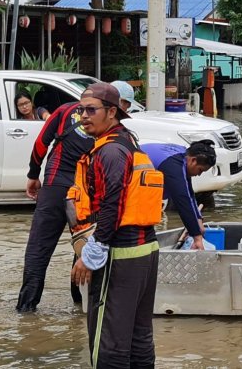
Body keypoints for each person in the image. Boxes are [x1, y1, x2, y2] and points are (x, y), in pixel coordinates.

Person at [69, 82, 162, 367]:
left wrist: (93, 250)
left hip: (120, 254)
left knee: (108, 342)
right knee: (139, 336)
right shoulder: (128, 142)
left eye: (91, 110)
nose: (84, 116)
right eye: (80, 110)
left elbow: (114, 202)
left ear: (111, 112)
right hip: (146, 249)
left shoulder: (109, 152)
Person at [16, 100, 93, 312]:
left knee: (39, 247)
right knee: (84, 244)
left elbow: (41, 143)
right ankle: (81, 305)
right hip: (85, 189)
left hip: (55, 184)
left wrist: (33, 174)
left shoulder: (65, 110)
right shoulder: (109, 121)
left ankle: (26, 309)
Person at [142, 140, 217, 250]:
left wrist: (198, 220)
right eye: (200, 170)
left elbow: (189, 192)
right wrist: (197, 237)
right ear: (193, 160)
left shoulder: (184, 156)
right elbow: (183, 200)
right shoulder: (173, 164)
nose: (199, 174)